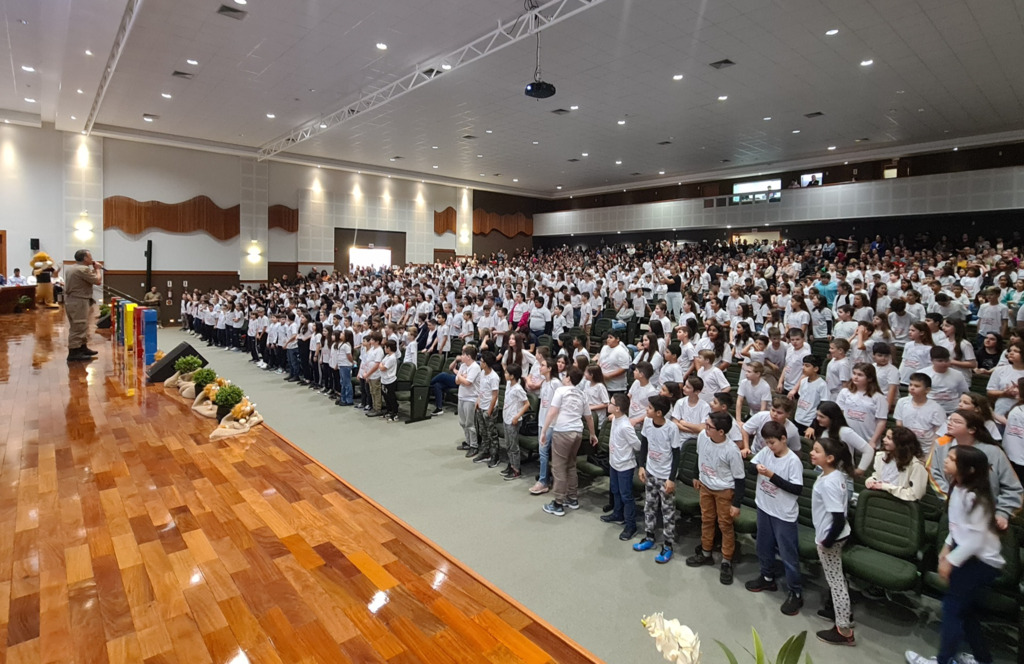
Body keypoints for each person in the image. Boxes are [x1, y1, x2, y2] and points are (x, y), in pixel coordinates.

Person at [905, 446, 1006, 664]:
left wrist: (950, 561)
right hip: (968, 556)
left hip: (980, 562)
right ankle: (982, 659)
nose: (946, 461)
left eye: (952, 459)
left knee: (952, 610)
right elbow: (959, 527)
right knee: (965, 612)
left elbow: (975, 539)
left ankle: (943, 660)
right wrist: (947, 547)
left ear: (969, 469)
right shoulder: (958, 488)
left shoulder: (976, 498)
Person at [745, 420, 805, 616]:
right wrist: (757, 469)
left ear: (783, 439)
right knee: (763, 546)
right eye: (766, 443)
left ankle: (795, 592)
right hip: (765, 507)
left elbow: (796, 489)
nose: (768, 447)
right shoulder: (766, 452)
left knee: (788, 555)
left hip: (783, 514)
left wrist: (771, 475)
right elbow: (750, 467)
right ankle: (767, 577)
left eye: (772, 443)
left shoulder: (793, 461)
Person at [928, 410, 1023, 530]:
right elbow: (934, 474)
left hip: (987, 516)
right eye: (950, 420)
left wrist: (1002, 513)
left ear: (972, 429)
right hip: (953, 512)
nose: (950, 423)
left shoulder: (994, 452)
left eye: (957, 422)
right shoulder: (941, 445)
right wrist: (953, 500)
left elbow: (1013, 488)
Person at [686, 411, 746, 583]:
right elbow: (700, 456)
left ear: (721, 432)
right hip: (705, 486)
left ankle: (726, 560)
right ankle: (706, 552)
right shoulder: (703, 437)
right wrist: (696, 475)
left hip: (724, 491)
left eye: (709, 426)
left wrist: (736, 503)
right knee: (706, 520)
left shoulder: (731, 451)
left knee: (725, 525)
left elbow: (740, 479)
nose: (705, 428)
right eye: (706, 424)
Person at [811, 437, 856, 646]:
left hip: (831, 536)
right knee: (838, 580)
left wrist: (827, 541)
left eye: (817, 451)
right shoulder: (835, 474)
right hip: (836, 533)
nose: (812, 453)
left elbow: (837, 517)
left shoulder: (829, 482)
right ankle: (841, 614)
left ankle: (843, 629)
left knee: (836, 583)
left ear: (829, 458)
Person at [540, 367, 597, 517]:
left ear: (568, 378)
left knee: (558, 467)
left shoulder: (561, 391)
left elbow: (552, 411)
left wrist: (544, 431)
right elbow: (589, 417)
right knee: (571, 465)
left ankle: (558, 503)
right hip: (577, 432)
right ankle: (572, 498)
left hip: (563, 432)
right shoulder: (582, 394)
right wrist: (592, 434)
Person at [632, 395, 681, 562]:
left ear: (659, 413)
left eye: (650, 408)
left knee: (667, 512)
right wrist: (641, 466)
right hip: (650, 472)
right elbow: (644, 444)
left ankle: (668, 545)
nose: (647, 410)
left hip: (665, 476)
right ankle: (649, 537)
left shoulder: (672, 428)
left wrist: (671, 479)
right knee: (649, 506)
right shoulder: (647, 423)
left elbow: (676, 454)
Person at [602, 393, 642, 541]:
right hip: (614, 462)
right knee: (615, 490)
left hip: (625, 465)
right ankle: (618, 514)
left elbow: (637, 446)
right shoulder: (615, 419)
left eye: (611, 403)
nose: (608, 404)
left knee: (626, 495)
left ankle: (631, 525)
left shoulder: (626, 426)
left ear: (617, 408)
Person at [864, 427, 927, 501]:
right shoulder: (881, 456)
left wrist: (885, 487)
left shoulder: (916, 466)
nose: (884, 439)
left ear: (900, 443)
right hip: (878, 501)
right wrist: (870, 482)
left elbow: (915, 495)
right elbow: (876, 476)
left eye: (889, 438)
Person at [894, 373, 948, 457]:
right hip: (905, 447)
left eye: (917, 386)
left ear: (927, 390)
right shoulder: (902, 402)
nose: (912, 388)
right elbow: (899, 425)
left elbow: (939, 434)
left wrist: (929, 456)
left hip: (926, 449)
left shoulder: (936, 408)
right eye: (910, 385)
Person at [64, 249, 102, 361]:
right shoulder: (83, 269)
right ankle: (74, 352)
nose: (92, 259)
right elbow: (97, 280)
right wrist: (97, 269)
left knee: (82, 325)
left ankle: (82, 347)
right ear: (85, 258)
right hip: (78, 301)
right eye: (90, 257)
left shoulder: (72, 268)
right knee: (78, 326)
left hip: (74, 300)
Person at [472, 351, 502, 466]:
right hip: (481, 406)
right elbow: (481, 389)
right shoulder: (482, 373)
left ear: (486, 364)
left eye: (482, 361)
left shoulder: (494, 377)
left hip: (490, 408)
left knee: (491, 433)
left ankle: (495, 455)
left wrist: (489, 410)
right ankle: (485, 452)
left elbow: (495, 395)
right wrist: (478, 401)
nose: (480, 363)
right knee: (482, 431)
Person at [501, 364, 530, 481]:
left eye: (507, 373)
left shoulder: (518, 389)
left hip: (513, 420)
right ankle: (511, 464)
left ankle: (516, 469)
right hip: (506, 417)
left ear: (512, 376)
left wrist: (517, 416)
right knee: (508, 444)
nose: (505, 374)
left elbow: (527, 404)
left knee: (513, 446)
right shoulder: (508, 384)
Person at [455, 344, 482, 456]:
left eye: (463, 354)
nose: (461, 356)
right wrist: (461, 377)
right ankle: (468, 441)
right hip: (461, 396)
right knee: (462, 422)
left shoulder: (475, 367)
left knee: (470, 423)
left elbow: (468, 382)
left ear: (469, 356)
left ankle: (474, 445)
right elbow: (457, 381)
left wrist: (460, 376)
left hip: (471, 398)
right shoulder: (463, 366)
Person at [379, 339, 400, 422]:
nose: (384, 349)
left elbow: (383, 368)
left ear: (389, 348)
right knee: (386, 397)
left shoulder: (392, 358)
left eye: (385, 347)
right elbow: (381, 363)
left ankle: (395, 413)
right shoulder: (387, 356)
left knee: (391, 397)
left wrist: (381, 366)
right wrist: (381, 365)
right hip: (384, 380)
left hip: (390, 380)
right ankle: (389, 410)